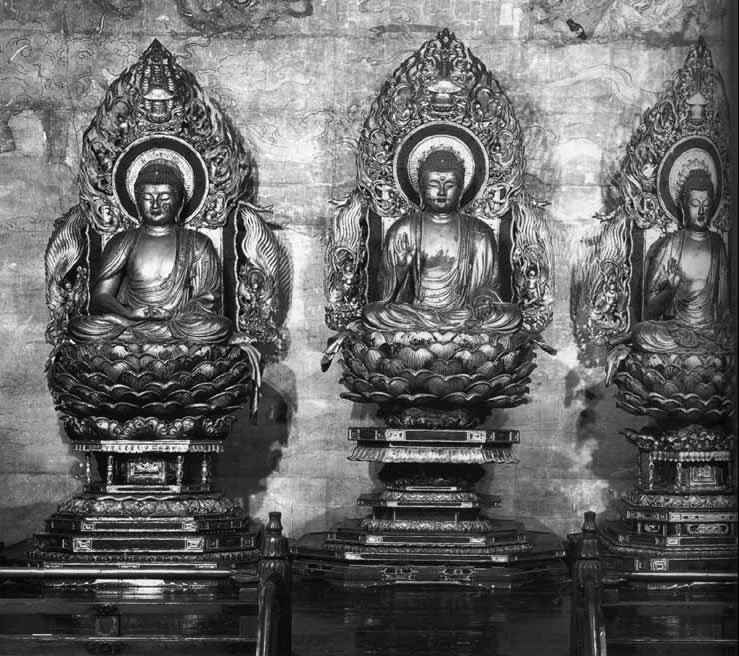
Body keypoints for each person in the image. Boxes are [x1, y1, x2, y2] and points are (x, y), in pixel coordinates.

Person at [68, 158, 232, 343]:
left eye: (164, 198)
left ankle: (140, 341)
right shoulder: (122, 241)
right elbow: (101, 297)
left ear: (180, 202)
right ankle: (148, 338)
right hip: (130, 321)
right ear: (137, 202)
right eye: (147, 198)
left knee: (219, 327)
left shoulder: (198, 243)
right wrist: (128, 314)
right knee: (80, 326)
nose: (155, 205)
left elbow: (209, 297)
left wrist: (172, 314)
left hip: (176, 322)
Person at [363, 147, 521, 332]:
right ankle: (451, 333)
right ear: (420, 188)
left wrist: (482, 301)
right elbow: (386, 294)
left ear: (461, 189)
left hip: (461, 314)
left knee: (511, 315)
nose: (441, 192)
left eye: (450, 184)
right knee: (373, 313)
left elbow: (486, 287)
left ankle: (434, 333)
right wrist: (399, 271)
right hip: (417, 313)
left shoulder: (479, 232)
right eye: (433, 184)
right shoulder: (403, 230)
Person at [631, 168, 731, 352]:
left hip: (709, 332)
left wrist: (724, 328)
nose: (701, 211)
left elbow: (724, 306)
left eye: (706, 205)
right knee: (641, 332)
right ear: (684, 206)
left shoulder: (717, 245)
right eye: (695, 204)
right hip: (678, 330)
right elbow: (650, 309)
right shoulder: (671, 245)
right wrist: (670, 290)